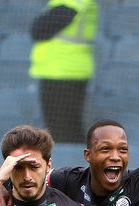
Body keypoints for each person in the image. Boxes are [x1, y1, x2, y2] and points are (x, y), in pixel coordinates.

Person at [30, 0, 98, 144]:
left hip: (62, 72)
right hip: (64, 70)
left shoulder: (71, 3)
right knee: (67, 128)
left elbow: (38, 30)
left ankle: (75, 165)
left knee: (62, 130)